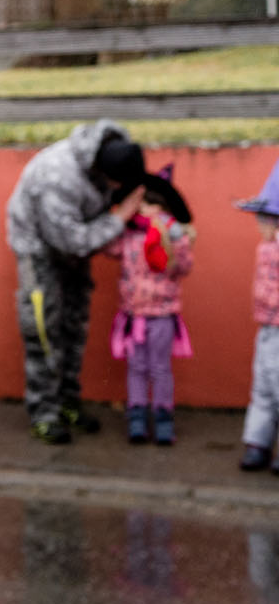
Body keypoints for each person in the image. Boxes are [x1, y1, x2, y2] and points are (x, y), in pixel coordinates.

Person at [5, 121, 146, 443]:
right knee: (44, 329)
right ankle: (45, 413)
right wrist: (119, 218)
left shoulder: (115, 153)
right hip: (40, 251)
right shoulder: (58, 178)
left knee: (74, 326)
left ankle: (68, 402)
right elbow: (73, 241)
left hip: (74, 246)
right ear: (101, 171)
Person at [104, 168, 194, 445]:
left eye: (153, 205)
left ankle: (164, 417)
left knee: (160, 368)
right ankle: (137, 416)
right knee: (136, 367)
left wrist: (177, 240)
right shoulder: (130, 237)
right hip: (134, 315)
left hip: (162, 316)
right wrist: (117, 221)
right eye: (142, 205)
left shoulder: (171, 238)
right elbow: (109, 248)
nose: (147, 211)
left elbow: (184, 267)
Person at [237, 159, 279, 472]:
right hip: (266, 327)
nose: (257, 225)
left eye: (262, 218)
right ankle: (258, 442)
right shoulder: (264, 247)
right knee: (262, 387)